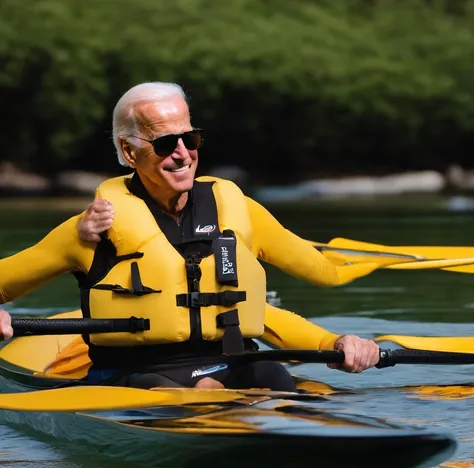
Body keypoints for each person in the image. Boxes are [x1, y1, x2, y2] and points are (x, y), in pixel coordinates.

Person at [0, 81, 380, 392]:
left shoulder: (240, 210)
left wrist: (333, 344)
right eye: (166, 143)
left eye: (191, 139)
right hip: (140, 380)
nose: (183, 154)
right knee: (173, 394)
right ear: (128, 151)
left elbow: (302, 285)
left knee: (273, 377)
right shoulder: (91, 229)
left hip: (236, 366)